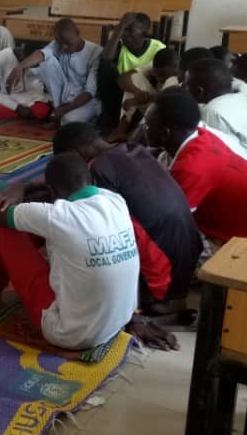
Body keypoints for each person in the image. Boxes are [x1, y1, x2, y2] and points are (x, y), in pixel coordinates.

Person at [0, 153, 139, 352]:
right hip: (118, 322)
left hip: (70, 333)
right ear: (92, 181)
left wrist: (17, 189)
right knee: (42, 231)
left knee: (2, 228)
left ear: (51, 190)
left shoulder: (57, 216)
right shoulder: (115, 201)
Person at [52, 122, 201, 318]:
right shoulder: (133, 150)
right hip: (188, 255)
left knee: (88, 238)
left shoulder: (97, 171)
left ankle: (157, 302)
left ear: (75, 154)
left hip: (162, 271)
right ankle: (169, 296)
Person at [143, 88, 247, 247]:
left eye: (147, 125)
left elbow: (165, 222)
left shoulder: (192, 167)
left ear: (165, 134)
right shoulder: (200, 134)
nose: (143, 129)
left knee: (155, 246)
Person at [186, 58, 247, 189]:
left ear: (200, 91)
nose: (184, 88)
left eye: (186, 85)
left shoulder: (214, 111)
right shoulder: (245, 96)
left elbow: (214, 163)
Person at [6, 18, 102, 126]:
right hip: (65, 97)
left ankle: (81, 118)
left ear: (78, 33)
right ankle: (57, 112)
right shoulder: (60, 43)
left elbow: (90, 92)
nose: (64, 47)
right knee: (46, 61)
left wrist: (66, 109)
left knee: (68, 120)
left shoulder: (95, 52)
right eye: (60, 43)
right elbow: (42, 54)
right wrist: (19, 67)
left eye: (68, 43)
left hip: (87, 101)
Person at [100, 12, 166, 129]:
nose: (124, 34)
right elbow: (105, 58)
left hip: (147, 94)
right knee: (105, 67)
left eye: (129, 30)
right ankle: (111, 118)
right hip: (124, 91)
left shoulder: (158, 48)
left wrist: (138, 94)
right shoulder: (119, 46)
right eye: (124, 29)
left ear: (144, 33)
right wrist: (120, 27)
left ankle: (126, 125)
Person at [0, 46, 51, 121]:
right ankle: (26, 115)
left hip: (30, 100)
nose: (30, 67)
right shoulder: (3, 57)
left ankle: (27, 114)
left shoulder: (42, 59)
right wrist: (17, 107)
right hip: (8, 99)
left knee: (42, 111)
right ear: (22, 56)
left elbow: (42, 90)